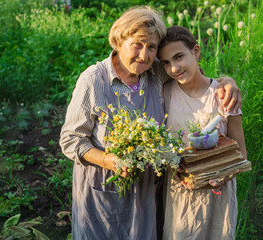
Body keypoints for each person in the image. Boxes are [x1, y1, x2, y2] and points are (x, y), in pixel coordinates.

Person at [59, 7, 242, 240]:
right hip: (103, 193)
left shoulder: (155, 72)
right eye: (137, 44)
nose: (144, 55)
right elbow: (70, 139)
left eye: (151, 47)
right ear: (118, 41)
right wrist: (108, 160)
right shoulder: (94, 80)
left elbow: (192, 77)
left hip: (147, 194)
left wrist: (227, 82)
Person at [158, 26, 247, 240]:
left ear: (196, 51)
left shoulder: (224, 96)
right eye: (166, 63)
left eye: (179, 57)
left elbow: (241, 154)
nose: (174, 68)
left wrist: (223, 177)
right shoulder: (164, 94)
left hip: (218, 196)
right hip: (180, 194)